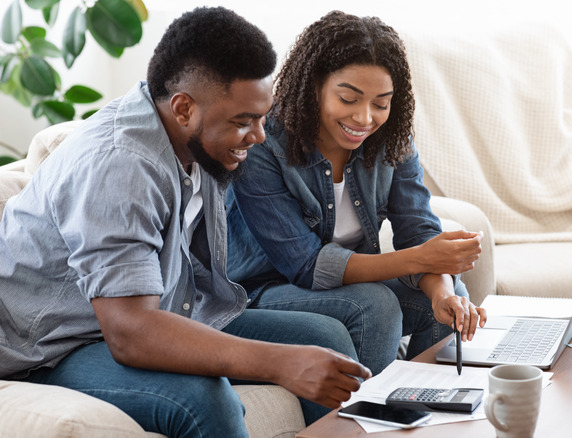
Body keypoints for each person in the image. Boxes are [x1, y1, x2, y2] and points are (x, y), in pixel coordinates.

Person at [0, 7, 371, 436]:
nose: (259, 136)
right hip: (53, 346)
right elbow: (131, 331)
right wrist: (280, 362)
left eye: (262, 117)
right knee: (204, 400)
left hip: (158, 310)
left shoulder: (197, 142)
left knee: (327, 339)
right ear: (183, 108)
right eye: (243, 121)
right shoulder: (122, 165)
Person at [226, 10, 487, 375]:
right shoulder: (265, 143)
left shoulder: (391, 141)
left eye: (380, 104)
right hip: (263, 290)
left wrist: (443, 291)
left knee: (450, 298)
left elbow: (418, 229)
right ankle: (372, 423)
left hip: (342, 287)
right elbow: (305, 266)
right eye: (349, 99)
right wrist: (422, 258)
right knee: (375, 305)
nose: (365, 118)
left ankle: (426, 412)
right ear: (314, 85)